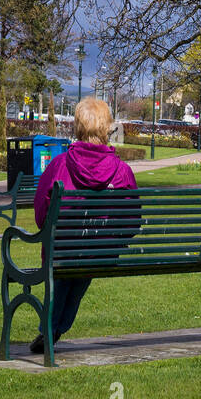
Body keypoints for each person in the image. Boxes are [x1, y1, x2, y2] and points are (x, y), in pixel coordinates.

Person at [29, 97, 138, 353]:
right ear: (107, 128)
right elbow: (132, 220)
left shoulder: (59, 166)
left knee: (67, 264)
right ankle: (54, 329)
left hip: (62, 252)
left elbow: (41, 214)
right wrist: (111, 239)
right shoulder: (122, 171)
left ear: (78, 127)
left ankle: (51, 329)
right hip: (100, 253)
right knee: (82, 266)